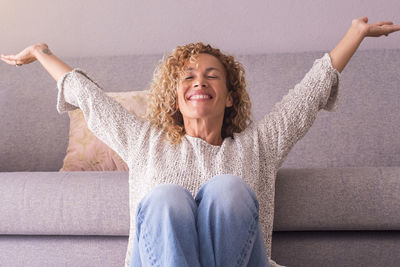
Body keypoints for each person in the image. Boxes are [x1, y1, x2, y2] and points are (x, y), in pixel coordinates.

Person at [1, 17, 399, 267]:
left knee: (227, 188)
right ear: (176, 97)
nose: (199, 81)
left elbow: (306, 97)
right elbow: (91, 99)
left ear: (229, 96)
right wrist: (42, 53)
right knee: (166, 198)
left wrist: (355, 34)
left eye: (211, 75)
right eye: (188, 76)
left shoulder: (257, 147)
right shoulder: (145, 142)